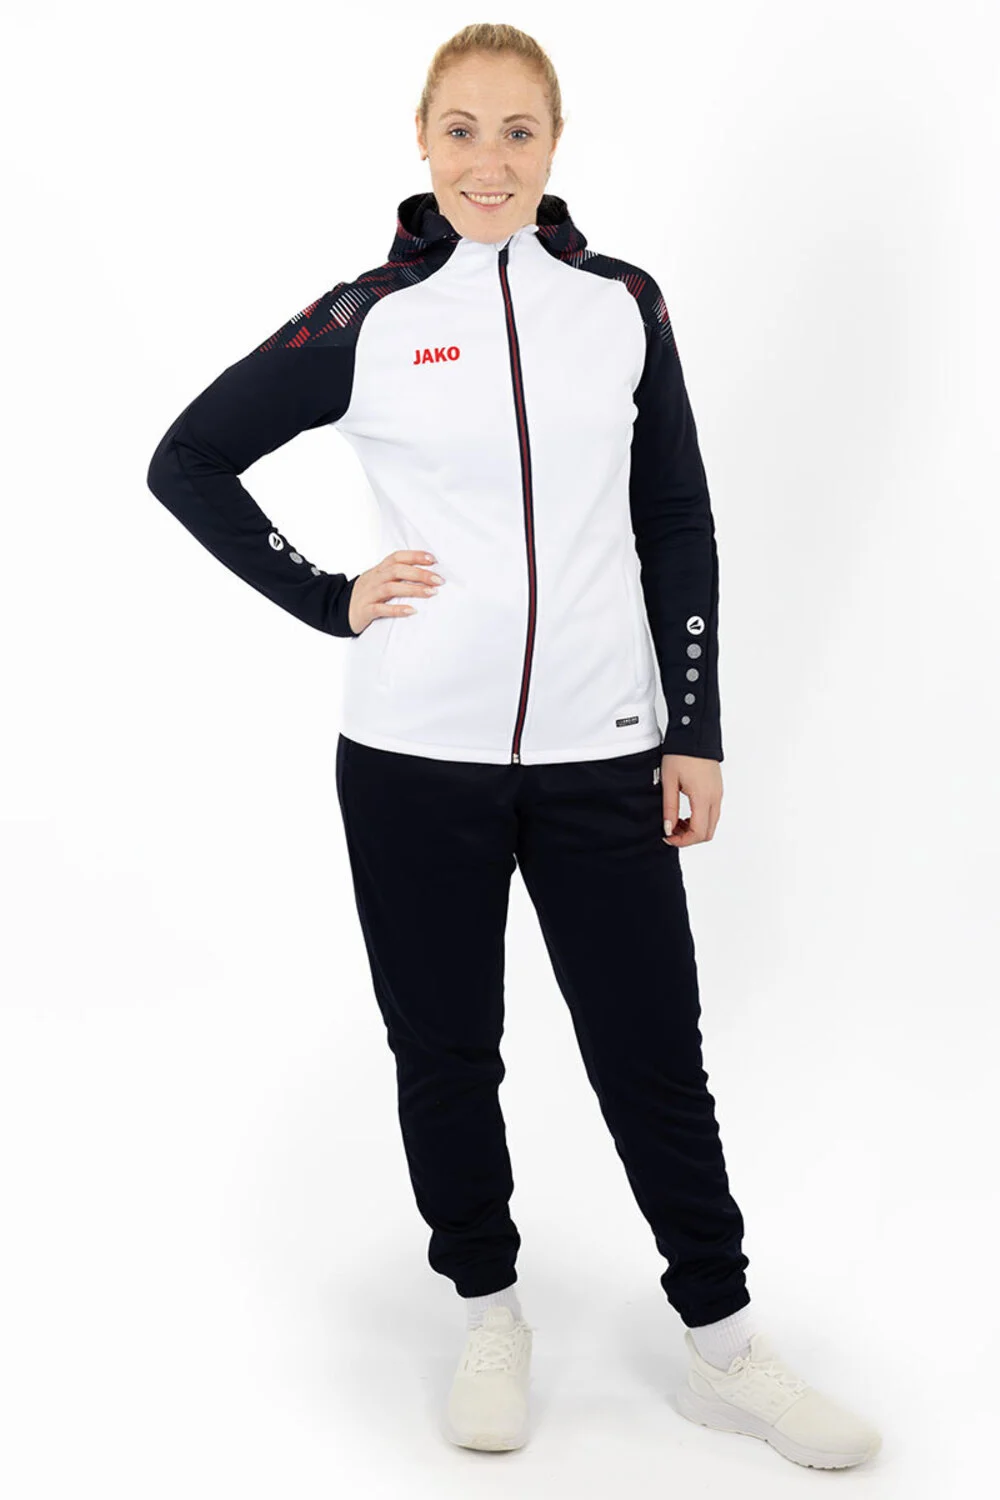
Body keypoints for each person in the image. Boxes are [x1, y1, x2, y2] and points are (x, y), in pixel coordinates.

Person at [146, 21, 881, 1471]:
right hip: (413, 758)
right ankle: (489, 1314)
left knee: (652, 1054)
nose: (490, 162)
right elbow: (189, 459)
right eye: (464, 130)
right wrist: (326, 597)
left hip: (604, 753)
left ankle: (725, 1345)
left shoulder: (621, 304)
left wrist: (693, 726)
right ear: (423, 142)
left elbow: (676, 517)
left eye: (519, 132)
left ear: (556, 145)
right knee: (445, 1051)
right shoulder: (366, 317)